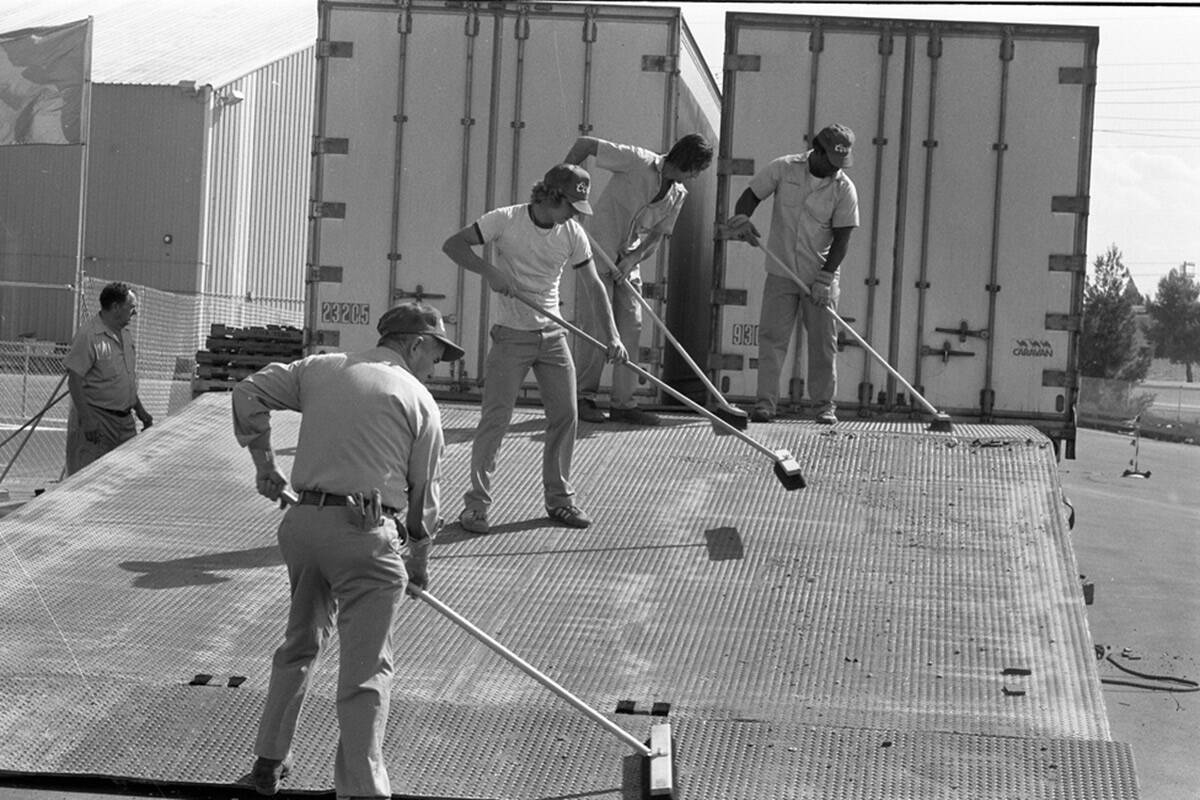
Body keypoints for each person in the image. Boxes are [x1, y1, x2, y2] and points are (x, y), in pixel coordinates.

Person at [232, 300, 463, 799]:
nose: (437, 364)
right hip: (364, 536)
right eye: (437, 353)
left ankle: (268, 763)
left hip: (304, 526)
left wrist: (265, 464)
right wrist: (419, 561)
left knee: (299, 643)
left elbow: (248, 392)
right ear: (416, 344)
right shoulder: (418, 399)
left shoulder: (321, 367)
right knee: (366, 669)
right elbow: (424, 497)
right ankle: (362, 790)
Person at [442, 163, 625, 535]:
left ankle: (560, 501)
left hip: (553, 335)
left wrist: (613, 336)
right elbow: (453, 245)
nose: (574, 215)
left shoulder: (572, 233)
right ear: (551, 196)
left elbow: (594, 286)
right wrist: (489, 272)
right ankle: (476, 507)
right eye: (571, 206)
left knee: (566, 415)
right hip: (511, 334)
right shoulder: (505, 220)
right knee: (496, 419)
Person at [563, 133, 715, 425]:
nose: (696, 176)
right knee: (595, 327)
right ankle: (583, 398)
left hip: (627, 263)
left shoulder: (677, 195)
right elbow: (585, 144)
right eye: (697, 169)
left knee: (631, 326)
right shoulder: (637, 159)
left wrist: (633, 259)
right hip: (596, 253)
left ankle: (624, 403)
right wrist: (562, 184)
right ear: (688, 162)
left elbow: (657, 236)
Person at [726, 123, 860, 425]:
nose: (835, 169)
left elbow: (842, 240)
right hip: (781, 271)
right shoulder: (784, 169)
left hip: (820, 276)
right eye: (831, 161)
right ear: (817, 150)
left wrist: (825, 279)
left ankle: (824, 406)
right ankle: (765, 405)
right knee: (772, 338)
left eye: (841, 164)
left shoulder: (844, 188)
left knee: (823, 343)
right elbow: (751, 196)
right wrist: (743, 218)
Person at [64, 281, 153, 475]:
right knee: (88, 479)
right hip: (98, 421)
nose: (135, 313)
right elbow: (74, 380)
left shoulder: (126, 336)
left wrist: (140, 411)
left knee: (124, 480)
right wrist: (87, 420)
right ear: (115, 307)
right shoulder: (89, 336)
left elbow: (125, 381)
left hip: (125, 422)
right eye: (131, 307)